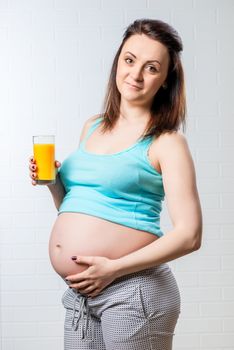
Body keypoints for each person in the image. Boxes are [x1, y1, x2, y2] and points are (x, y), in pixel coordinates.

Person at [29, 18, 202, 350]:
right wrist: (52, 183)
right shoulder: (92, 127)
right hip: (82, 294)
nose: (135, 75)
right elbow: (78, 207)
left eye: (151, 68)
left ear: (166, 79)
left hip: (132, 289)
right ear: (117, 62)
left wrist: (113, 268)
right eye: (129, 60)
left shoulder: (166, 142)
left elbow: (190, 235)